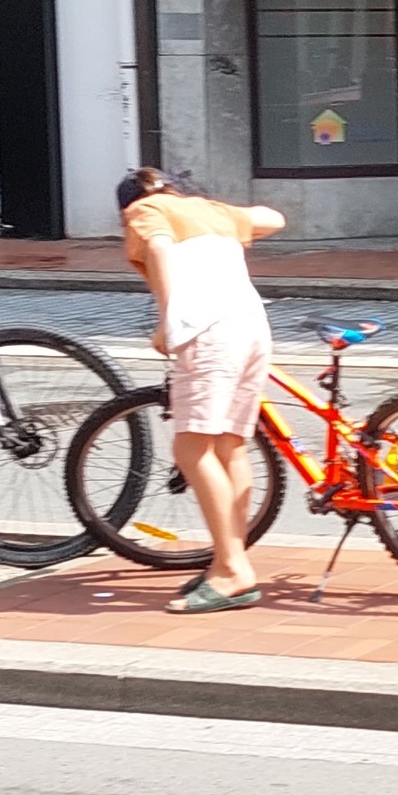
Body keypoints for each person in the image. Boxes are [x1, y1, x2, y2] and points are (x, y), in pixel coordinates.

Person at [118, 169, 287, 614]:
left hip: (208, 331)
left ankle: (233, 570)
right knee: (231, 447)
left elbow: (156, 246)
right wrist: (228, 217)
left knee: (192, 450)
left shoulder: (145, 209)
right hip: (252, 326)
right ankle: (229, 562)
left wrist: (168, 318)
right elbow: (273, 219)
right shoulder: (207, 210)